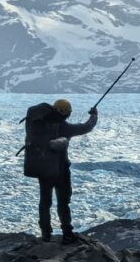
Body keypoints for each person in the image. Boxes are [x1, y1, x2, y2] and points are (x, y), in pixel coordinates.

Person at [29, 99, 98, 244]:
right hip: (61, 171)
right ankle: (67, 233)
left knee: (45, 202)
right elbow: (86, 127)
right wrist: (94, 116)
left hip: (44, 170)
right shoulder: (65, 128)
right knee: (63, 203)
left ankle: (46, 234)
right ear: (66, 113)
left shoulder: (38, 124)